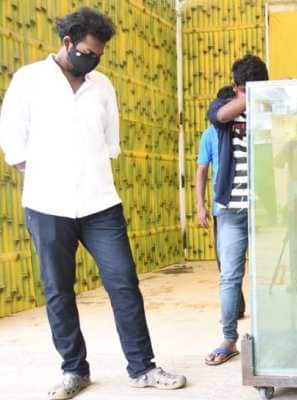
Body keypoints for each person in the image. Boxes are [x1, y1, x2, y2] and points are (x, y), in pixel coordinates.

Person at [0, 8, 186, 399]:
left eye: (99, 54)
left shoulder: (102, 86)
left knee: (123, 284)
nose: (94, 59)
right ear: (67, 43)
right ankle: (74, 370)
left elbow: (109, 142)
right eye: (88, 51)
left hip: (101, 204)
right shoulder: (29, 80)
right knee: (58, 290)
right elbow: (14, 146)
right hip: (48, 206)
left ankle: (143, 367)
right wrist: (52, 175)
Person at [204, 55, 269, 366]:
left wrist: (284, 90)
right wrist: (249, 98)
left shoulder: (268, 106)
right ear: (236, 88)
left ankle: (268, 335)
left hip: (264, 211)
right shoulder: (222, 108)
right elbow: (219, 117)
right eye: (246, 90)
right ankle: (228, 340)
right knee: (230, 277)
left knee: (266, 277)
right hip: (230, 212)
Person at [195, 85, 245, 319]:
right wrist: (200, 206)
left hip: (248, 205)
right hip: (224, 208)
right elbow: (202, 170)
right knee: (227, 267)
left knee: (236, 267)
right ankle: (236, 309)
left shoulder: (246, 127)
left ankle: (237, 308)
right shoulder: (210, 133)